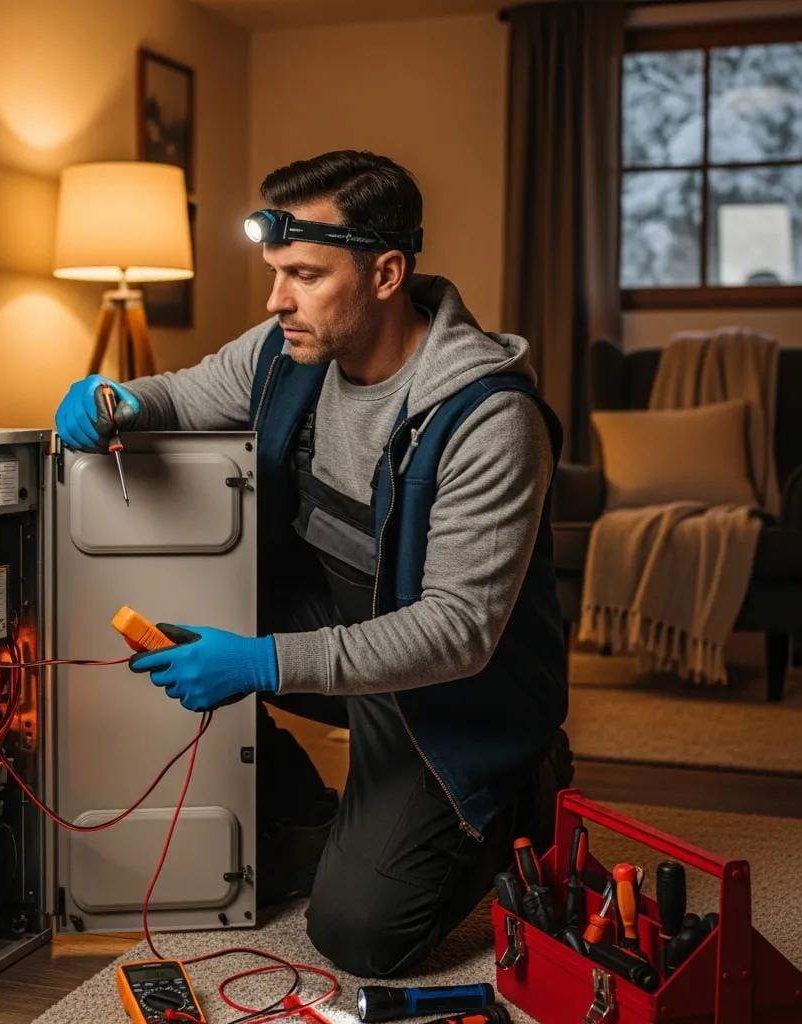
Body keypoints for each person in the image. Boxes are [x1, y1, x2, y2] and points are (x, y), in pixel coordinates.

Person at [55, 150, 572, 977]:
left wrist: (263, 663)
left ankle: (520, 792)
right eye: (273, 271)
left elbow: (458, 632)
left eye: (302, 273)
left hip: (453, 698)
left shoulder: (489, 417)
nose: (276, 299)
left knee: (361, 934)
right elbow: (187, 394)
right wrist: (116, 398)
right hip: (345, 634)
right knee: (165, 628)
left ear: (386, 273)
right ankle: (297, 813)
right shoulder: (286, 350)